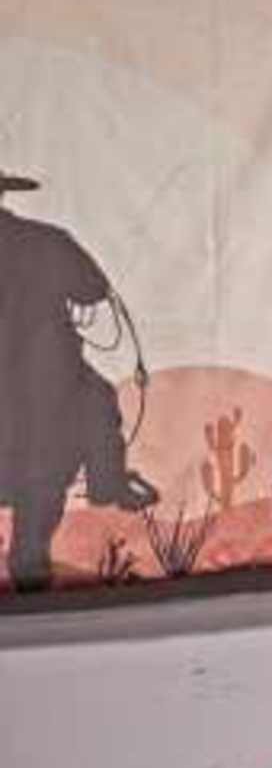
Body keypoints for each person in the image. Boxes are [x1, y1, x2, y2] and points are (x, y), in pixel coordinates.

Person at [0, 169, 155, 590]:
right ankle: (109, 481)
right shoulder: (47, 241)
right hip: (45, 376)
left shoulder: (47, 241)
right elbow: (92, 289)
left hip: (31, 373)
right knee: (96, 400)